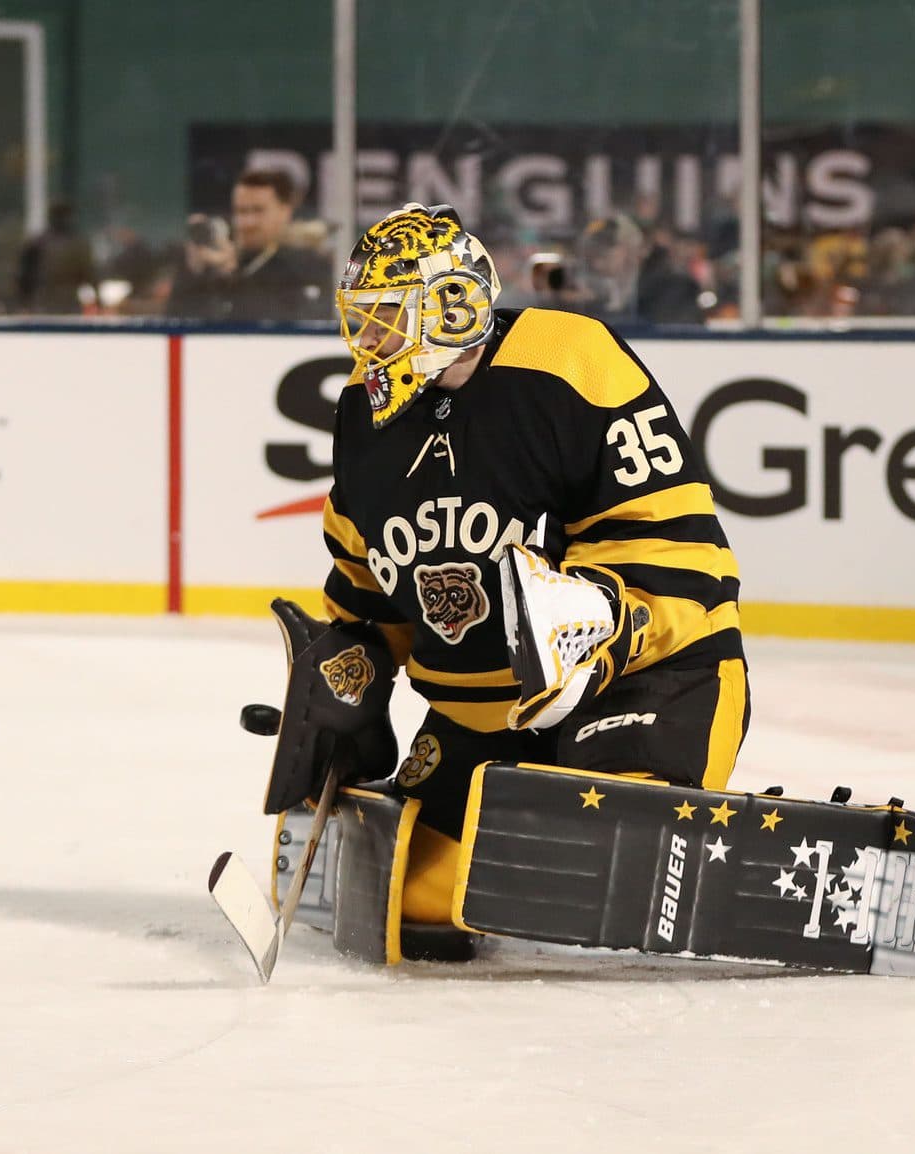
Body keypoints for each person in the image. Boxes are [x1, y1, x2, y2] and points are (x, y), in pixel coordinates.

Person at [299, 202, 750, 934]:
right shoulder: (362, 405)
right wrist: (350, 668)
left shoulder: (569, 358)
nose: (368, 336)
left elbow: (680, 548)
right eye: (362, 315)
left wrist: (601, 621)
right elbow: (362, 562)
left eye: (386, 315)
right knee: (411, 905)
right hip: (478, 721)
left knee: (593, 862)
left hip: (647, 683)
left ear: (451, 307)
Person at [167, 168, 327, 322]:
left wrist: (234, 280)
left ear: (285, 212)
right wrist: (195, 270)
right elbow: (176, 325)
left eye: (258, 211)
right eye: (241, 211)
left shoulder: (308, 265)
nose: (248, 222)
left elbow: (286, 324)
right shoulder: (219, 260)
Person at [16, 198, 95, 314]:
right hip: (61, 304)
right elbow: (89, 274)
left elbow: (23, 278)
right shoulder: (78, 244)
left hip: (46, 304)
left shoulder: (37, 243)